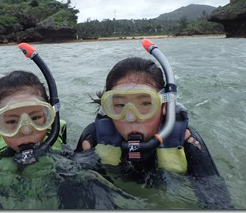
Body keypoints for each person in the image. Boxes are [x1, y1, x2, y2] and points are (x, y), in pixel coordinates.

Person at [0, 70, 145, 209]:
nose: (26, 130)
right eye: (11, 121)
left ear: (49, 118)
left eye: (36, 118)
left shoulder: (70, 157)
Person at [75, 56, 233, 209]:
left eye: (145, 103)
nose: (131, 117)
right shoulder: (93, 139)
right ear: (108, 108)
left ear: (164, 106)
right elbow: (79, 186)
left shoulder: (186, 140)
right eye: (120, 105)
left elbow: (216, 198)